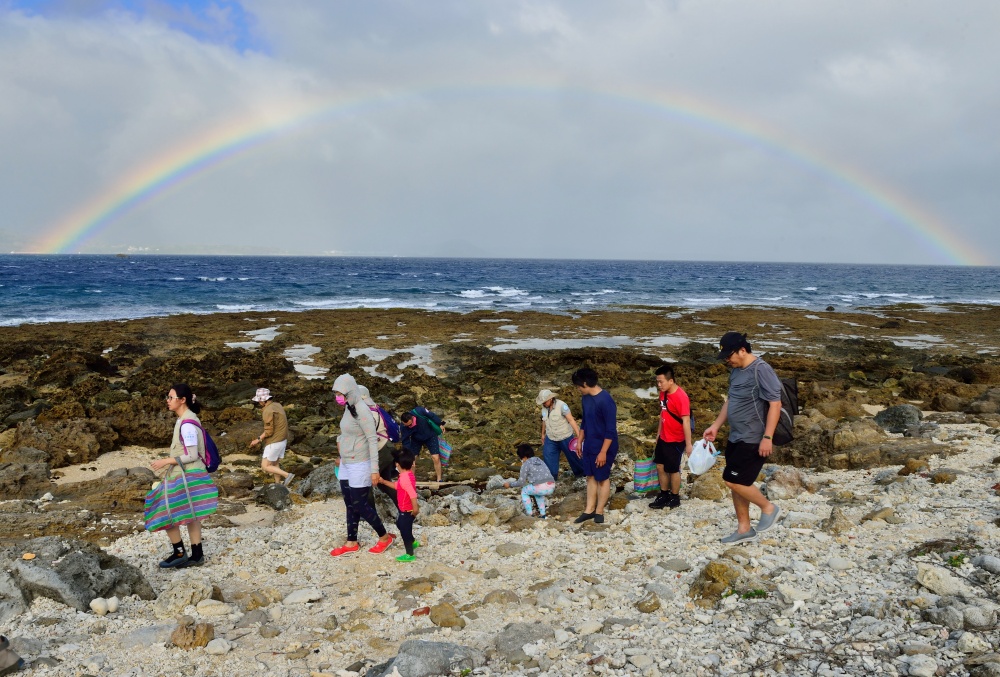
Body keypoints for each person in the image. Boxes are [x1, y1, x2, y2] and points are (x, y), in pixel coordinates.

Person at [703, 332, 784, 544]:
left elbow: (776, 404)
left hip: (753, 437)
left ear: (742, 350)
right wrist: (716, 425)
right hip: (736, 436)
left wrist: (767, 437)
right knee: (739, 482)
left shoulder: (761, 370)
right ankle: (744, 529)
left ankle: (769, 508)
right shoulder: (736, 371)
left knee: (732, 480)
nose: (727, 360)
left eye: (729, 356)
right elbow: (731, 400)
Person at [146, 383, 218, 568]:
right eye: (167, 397)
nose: (167, 400)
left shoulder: (187, 424)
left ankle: (179, 552)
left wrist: (165, 461)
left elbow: (192, 455)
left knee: (164, 509)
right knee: (191, 513)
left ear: (182, 400)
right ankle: (197, 555)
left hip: (187, 475)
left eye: (171, 397)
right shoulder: (187, 419)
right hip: (190, 473)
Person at [329, 374, 395, 557]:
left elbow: (372, 440)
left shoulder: (363, 410)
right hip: (346, 463)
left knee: (359, 503)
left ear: (350, 391)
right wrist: (341, 456)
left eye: (339, 393)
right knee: (350, 503)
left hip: (360, 462)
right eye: (335, 393)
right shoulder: (349, 409)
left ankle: (384, 537)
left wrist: (374, 470)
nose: (337, 397)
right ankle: (351, 542)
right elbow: (345, 435)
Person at [571, 368, 618, 525]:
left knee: (602, 478)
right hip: (590, 443)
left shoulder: (606, 401)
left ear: (585, 383)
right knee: (590, 476)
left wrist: (603, 452)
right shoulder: (586, 398)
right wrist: (579, 441)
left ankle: (599, 511)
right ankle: (589, 510)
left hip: (605, 445)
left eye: (578, 385)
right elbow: (585, 421)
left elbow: (611, 430)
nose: (578, 388)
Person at [650, 364, 693, 510]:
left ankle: (675, 497)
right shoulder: (663, 393)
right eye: (657, 382)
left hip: (676, 439)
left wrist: (689, 444)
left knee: (673, 469)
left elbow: (686, 421)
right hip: (663, 437)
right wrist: (658, 434)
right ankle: (664, 494)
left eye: (661, 381)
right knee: (660, 466)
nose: (659, 385)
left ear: (671, 381)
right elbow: (663, 413)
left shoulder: (681, 397)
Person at [378, 451, 420, 562]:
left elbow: (412, 494)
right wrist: (384, 482)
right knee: (400, 524)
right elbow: (397, 486)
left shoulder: (405, 478)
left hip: (407, 510)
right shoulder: (408, 474)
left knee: (405, 531)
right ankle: (413, 541)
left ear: (397, 464)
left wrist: (415, 509)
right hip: (405, 509)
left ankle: (410, 554)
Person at [248, 387, 293, 487]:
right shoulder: (277, 405)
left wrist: (258, 440)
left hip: (274, 441)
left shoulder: (267, 411)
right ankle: (278, 485)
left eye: (260, 400)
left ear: (264, 400)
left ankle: (288, 475)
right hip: (283, 439)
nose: (259, 402)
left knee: (265, 466)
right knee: (274, 464)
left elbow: (269, 431)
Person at [536, 389, 584, 481]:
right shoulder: (544, 408)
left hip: (565, 436)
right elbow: (544, 421)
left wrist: (579, 437)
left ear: (550, 399)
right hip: (551, 437)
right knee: (548, 456)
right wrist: (543, 434)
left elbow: (571, 420)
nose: (543, 404)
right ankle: (551, 479)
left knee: (574, 458)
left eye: (545, 402)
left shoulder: (562, 405)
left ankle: (582, 475)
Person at [504, 444, 556, 518]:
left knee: (524, 491)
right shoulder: (539, 460)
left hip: (540, 487)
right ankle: (543, 514)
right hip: (551, 485)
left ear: (524, 457)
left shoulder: (525, 464)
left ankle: (529, 514)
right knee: (538, 494)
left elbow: (521, 482)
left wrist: (510, 484)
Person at [400, 406, 445, 483]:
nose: (408, 426)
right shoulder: (403, 426)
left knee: (435, 457)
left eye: (409, 424)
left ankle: (439, 479)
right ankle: (412, 480)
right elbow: (405, 440)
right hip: (416, 439)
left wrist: (440, 423)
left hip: (430, 435)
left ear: (412, 418)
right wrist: (408, 454)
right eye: (406, 425)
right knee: (411, 459)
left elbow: (431, 415)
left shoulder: (419, 411)